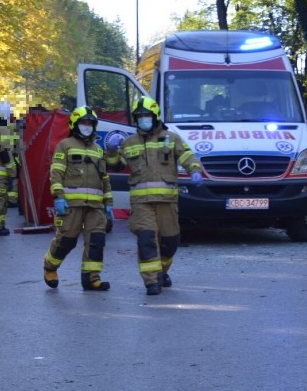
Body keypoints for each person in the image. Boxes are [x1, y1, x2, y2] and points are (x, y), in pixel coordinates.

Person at [106, 96, 204, 295]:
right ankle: (151, 282)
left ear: (155, 116)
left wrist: (195, 169)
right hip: (142, 204)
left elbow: (187, 156)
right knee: (146, 239)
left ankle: (161, 270)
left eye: (147, 115)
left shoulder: (171, 138)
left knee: (170, 242)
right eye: (140, 116)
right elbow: (116, 166)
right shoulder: (129, 142)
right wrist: (111, 152)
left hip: (167, 201)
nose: (143, 119)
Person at [42, 107, 113, 291]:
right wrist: (58, 196)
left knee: (97, 241)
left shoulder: (98, 149)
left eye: (90, 123)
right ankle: (50, 266)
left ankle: (91, 279)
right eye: (84, 122)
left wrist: (109, 202)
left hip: (95, 206)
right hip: (71, 204)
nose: (87, 126)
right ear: (75, 124)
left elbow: (104, 178)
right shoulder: (65, 145)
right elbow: (56, 172)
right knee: (67, 240)